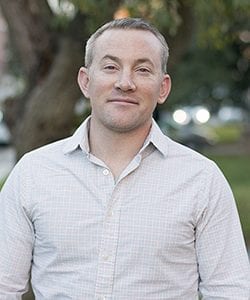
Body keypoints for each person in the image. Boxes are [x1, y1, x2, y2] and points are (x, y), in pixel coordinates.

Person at [0, 18, 249, 300]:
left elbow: (229, 291)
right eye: (110, 67)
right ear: (85, 81)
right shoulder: (33, 173)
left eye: (143, 70)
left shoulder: (203, 180)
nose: (125, 82)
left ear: (163, 88)